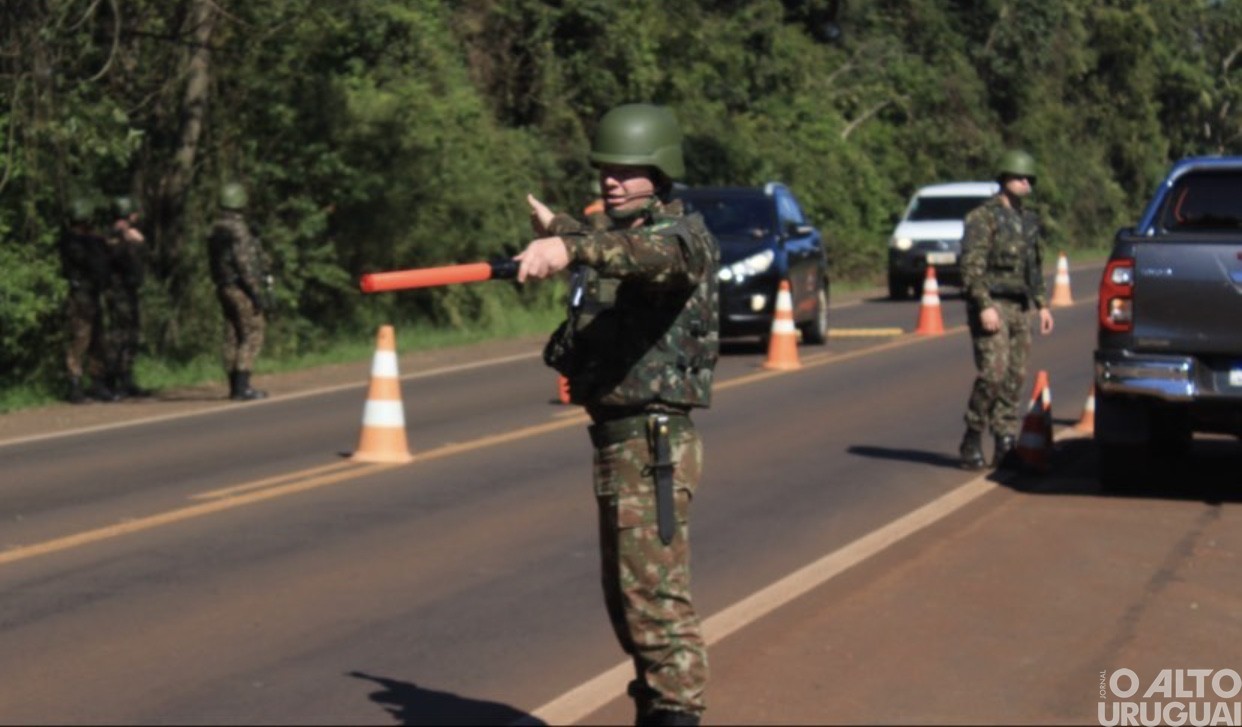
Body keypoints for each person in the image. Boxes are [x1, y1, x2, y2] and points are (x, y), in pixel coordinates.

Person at [515, 103, 719, 727]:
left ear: (660, 175)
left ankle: (676, 714)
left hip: (652, 447)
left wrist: (568, 247)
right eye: (607, 168)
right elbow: (614, 247)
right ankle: (656, 712)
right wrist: (567, 232)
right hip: (620, 444)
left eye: (629, 170)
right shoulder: (620, 234)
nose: (613, 179)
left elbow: (642, 256)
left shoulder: (683, 238)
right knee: (631, 607)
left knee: (655, 609)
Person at [958, 149, 1055, 470]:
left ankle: (1005, 441)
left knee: (1015, 376)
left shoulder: (1029, 220)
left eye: (1029, 178)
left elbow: (1034, 267)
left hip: (1019, 305)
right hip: (992, 303)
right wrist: (984, 305)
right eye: (1018, 177)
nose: (1025, 182)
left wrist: (1042, 305)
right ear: (1003, 179)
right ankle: (972, 435)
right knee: (993, 374)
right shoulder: (982, 217)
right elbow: (971, 266)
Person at [208, 181, 270, 401]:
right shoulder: (239, 230)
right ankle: (243, 386)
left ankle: (235, 384)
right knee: (252, 333)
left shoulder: (215, 229)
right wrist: (256, 293)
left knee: (232, 334)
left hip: (222, 285)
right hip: (239, 287)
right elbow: (244, 264)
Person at [58, 196, 115, 403]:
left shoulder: (88, 240)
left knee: (98, 338)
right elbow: (90, 261)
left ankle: (98, 383)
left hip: (92, 294)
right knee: (81, 339)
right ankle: (75, 384)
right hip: (81, 295)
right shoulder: (72, 242)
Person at [103, 195, 151, 397]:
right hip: (118, 291)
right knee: (119, 335)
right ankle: (112, 381)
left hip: (128, 290)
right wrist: (134, 244)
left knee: (131, 335)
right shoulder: (113, 236)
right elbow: (118, 259)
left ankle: (126, 379)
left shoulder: (126, 234)